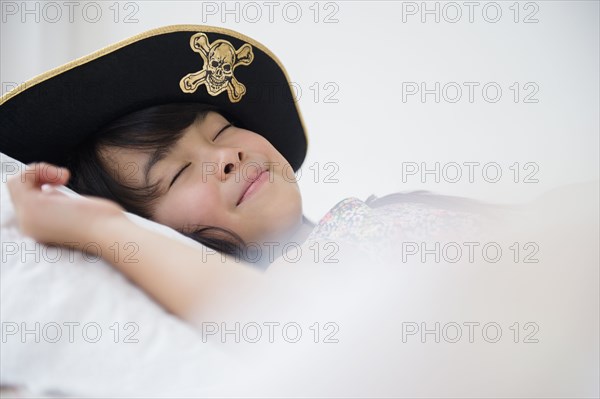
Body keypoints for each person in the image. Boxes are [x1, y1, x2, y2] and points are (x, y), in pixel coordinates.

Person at [1, 25, 502, 322]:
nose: (226, 157)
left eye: (220, 131)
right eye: (175, 174)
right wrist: (96, 226)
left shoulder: (386, 211)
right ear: (151, 233)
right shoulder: (281, 291)